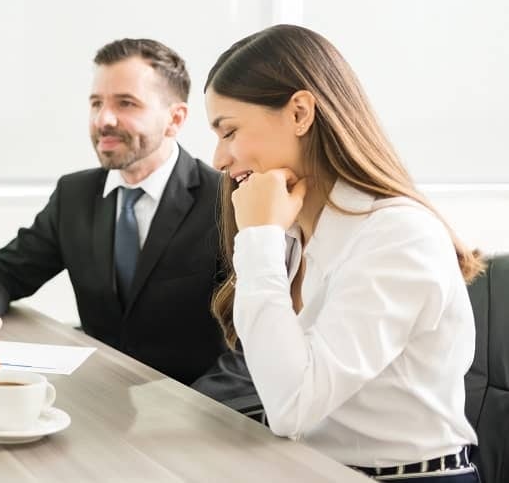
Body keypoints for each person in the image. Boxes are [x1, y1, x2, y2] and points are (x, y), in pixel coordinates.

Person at [205, 24, 481, 481]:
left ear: (299, 113)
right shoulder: (294, 230)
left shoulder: (397, 235)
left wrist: (258, 241)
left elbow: (292, 405)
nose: (218, 158)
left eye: (229, 131)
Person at [0, 38, 227, 385]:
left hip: (191, 411)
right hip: (98, 395)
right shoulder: (76, 194)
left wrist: (194, 412)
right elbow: (7, 270)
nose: (104, 119)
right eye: (96, 103)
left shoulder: (224, 199)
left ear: (175, 119)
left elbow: (248, 354)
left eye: (126, 103)